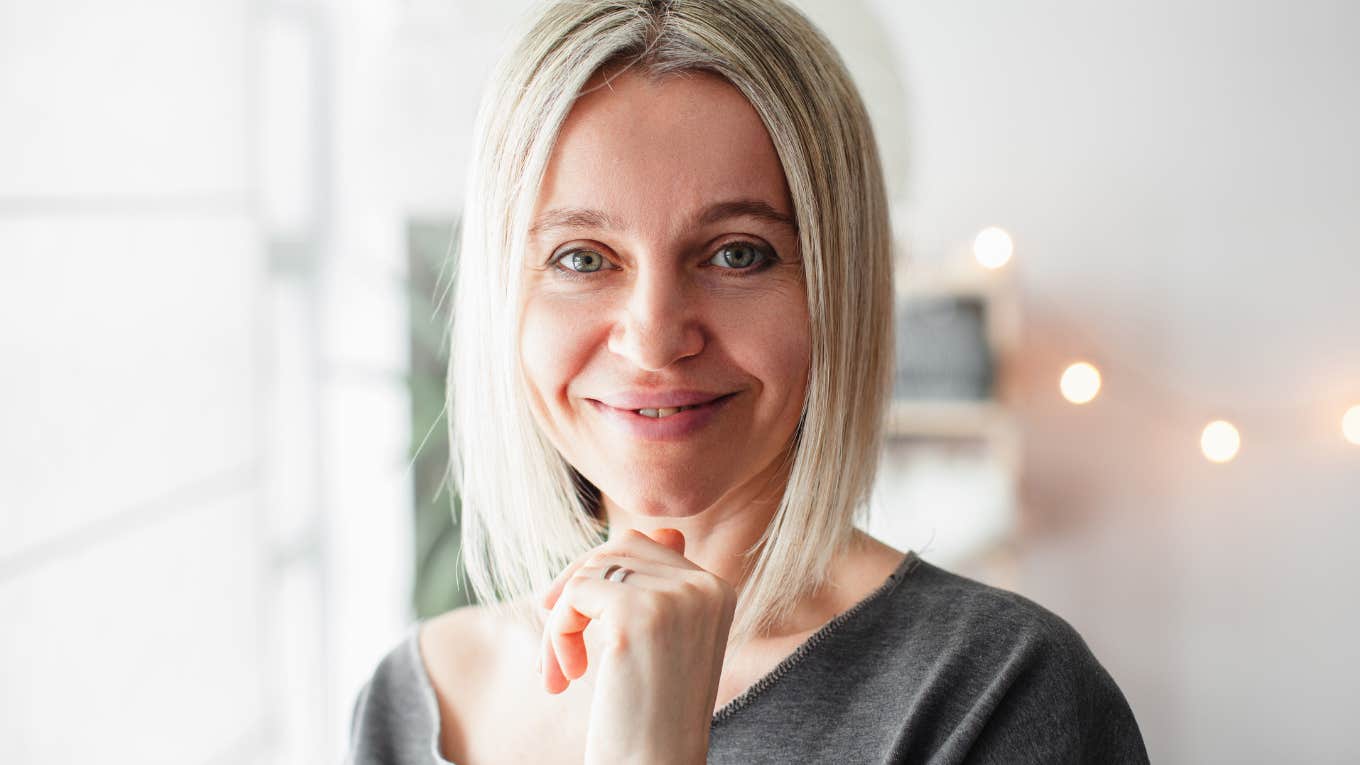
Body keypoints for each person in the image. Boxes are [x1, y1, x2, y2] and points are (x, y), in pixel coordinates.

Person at [348, 1, 1149, 762]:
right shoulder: (419, 701)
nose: (655, 339)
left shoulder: (998, 697)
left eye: (737, 253)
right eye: (582, 258)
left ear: (836, 289)